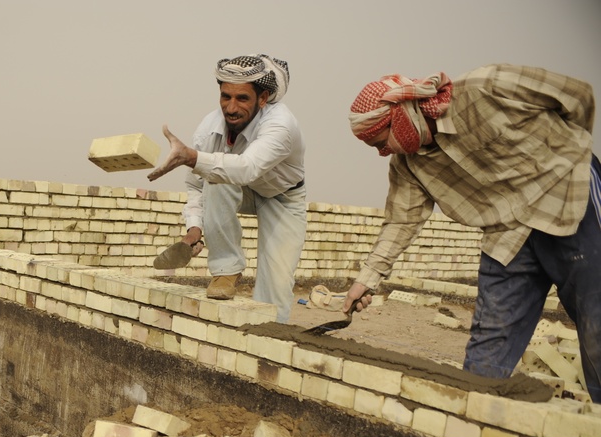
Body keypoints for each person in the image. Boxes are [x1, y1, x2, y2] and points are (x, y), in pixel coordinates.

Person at [344, 64, 600, 402]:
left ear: (400, 115)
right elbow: (401, 221)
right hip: (506, 233)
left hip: (566, 202)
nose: (383, 151)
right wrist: (367, 279)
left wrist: (567, 153)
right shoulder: (409, 163)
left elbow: (577, 96)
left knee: (596, 320)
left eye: (381, 141)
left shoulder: (485, 88)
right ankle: (473, 424)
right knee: (487, 344)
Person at [148, 53, 307, 322]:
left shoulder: (281, 124)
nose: (231, 108)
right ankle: (226, 270)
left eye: (242, 98)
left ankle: (267, 339)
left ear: (263, 98)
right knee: (214, 174)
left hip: (283, 198)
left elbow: (247, 168)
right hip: (240, 189)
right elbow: (197, 184)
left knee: (276, 288)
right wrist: (195, 229)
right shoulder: (209, 129)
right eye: (225, 97)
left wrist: (190, 157)